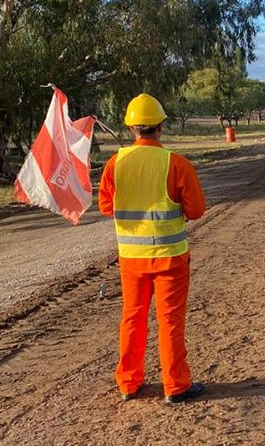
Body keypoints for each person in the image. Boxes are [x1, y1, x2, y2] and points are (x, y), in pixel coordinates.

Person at [98, 93, 207, 404]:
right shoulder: (176, 163)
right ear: (161, 126)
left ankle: (128, 383)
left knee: (132, 317)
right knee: (170, 321)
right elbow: (197, 209)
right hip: (170, 258)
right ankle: (176, 386)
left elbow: (107, 206)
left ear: (132, 128)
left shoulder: (114, 163)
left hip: (132, 259)